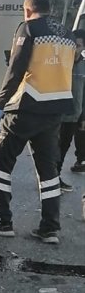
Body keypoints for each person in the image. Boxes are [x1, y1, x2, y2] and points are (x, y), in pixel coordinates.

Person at [0, 0, 76, 245]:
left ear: (27, 10)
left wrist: (1, 103)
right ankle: (50, 229)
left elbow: (17, 68)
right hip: (54, 110)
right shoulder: (66, 34)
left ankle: (2, 222)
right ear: (50, 8)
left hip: (26, 107)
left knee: (2, 159)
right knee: (49, 170)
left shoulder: (28, 28)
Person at [59, 29, 85, 180]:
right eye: (73, 45)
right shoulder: (59, 62)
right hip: (57, 115)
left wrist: (83, 117)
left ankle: (56, 178)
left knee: (63, 148)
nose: (75, 49)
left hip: (74, 116)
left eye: (79, 46)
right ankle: (50, 179)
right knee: (52, 150)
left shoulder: (83, 66)